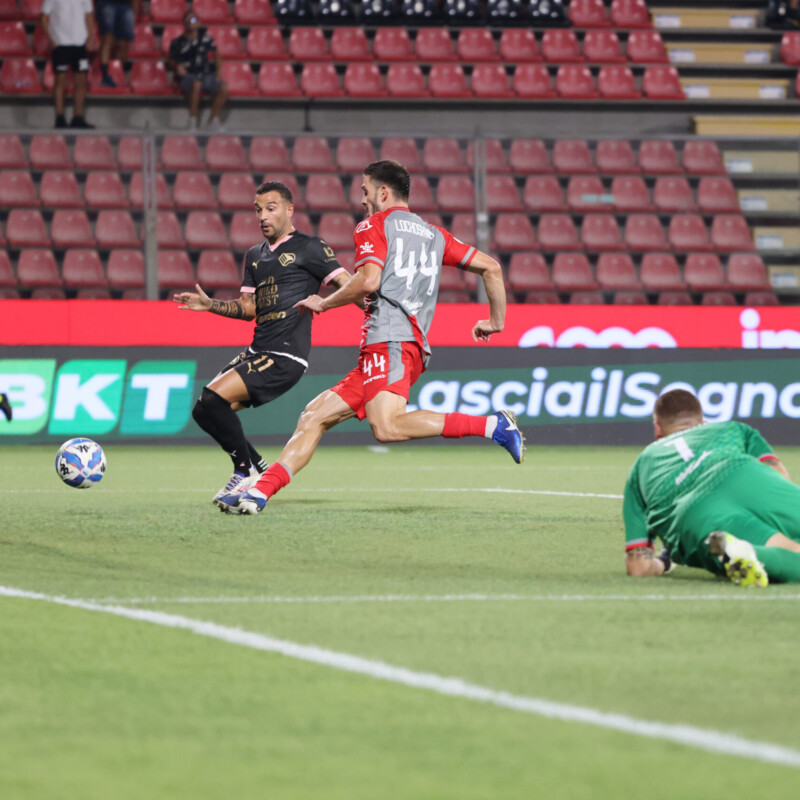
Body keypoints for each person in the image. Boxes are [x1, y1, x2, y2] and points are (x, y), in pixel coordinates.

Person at [218, 159, 524, 516]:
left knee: (388, 426)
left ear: (382, 192)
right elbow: (492, 267)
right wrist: (496, 321)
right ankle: (259, 493)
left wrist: (325, 302)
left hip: (391, 341)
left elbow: (368, 280)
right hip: (394, 345)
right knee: (313, 416)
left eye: (365, 191)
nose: (362, 199)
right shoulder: (436, 234)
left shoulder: (373, 225)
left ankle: (492, 425)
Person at [173, 181, 353, 508]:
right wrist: (210, 304)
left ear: (289, 210)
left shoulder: (311, 247)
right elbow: (249, 309)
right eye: (258, 210)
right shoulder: (255, 256)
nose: (263, 216)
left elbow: (349, 285)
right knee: (204, 410)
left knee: (214, 398)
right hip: (259, 350)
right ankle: (255, 466)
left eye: (270, 208)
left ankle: (245, 470)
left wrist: (363, 310)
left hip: (285, 355)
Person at [623, 388, 800, 587]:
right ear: (703, 420)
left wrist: (664, 562)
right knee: (791, 544)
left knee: (787, 552)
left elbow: (638, 568)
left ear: (657, 429)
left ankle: (745, 551)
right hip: (748, 476)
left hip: (695, 515)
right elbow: (778, 475)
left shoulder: (640, 468)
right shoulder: (732, 429)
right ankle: (754, 551)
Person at [167, 11, 228, 131]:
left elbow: (217, 54)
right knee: (196, 84)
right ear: (184, 23)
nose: (193, 22)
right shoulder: (177, 42)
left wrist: (219, 72)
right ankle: (192, 120)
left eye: (195, 19)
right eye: (190, 19)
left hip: (205, 74)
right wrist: (177, 66)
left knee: (224, 87)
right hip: (187, 76)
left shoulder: (206, 38)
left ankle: (212, 121)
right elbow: (170, 61)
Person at [40, 0, 96, 129]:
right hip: (61, 43)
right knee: (60, 81)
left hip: (80, 44)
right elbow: (43, 18)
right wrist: (51, 40)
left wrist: (90, 38)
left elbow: (88, 15)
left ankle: (78, 117)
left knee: (81, 82)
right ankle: (60, 118)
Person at [95, 0, 138, 88]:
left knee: (124, 43)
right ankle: (104, 76)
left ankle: (118, 75)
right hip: (106, 3)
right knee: (107, 39)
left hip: (126, 5)